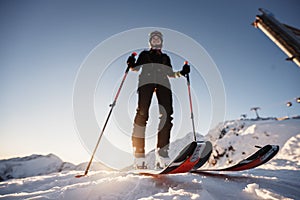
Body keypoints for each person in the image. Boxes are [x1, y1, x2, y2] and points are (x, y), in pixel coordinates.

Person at [127, 31, 190, 169]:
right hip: (146, 82)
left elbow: (171, 74)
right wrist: (131, 63)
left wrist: (183, 72)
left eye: (158, 39)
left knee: (167, 115)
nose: (156, 41)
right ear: (150, 42)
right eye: (153, 39)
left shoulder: (166, 58)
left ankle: (162, 153)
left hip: (163, 83)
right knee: (142, 114)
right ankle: (139, 154)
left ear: (161, 42)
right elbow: (135, 68)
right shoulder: (145, 54)